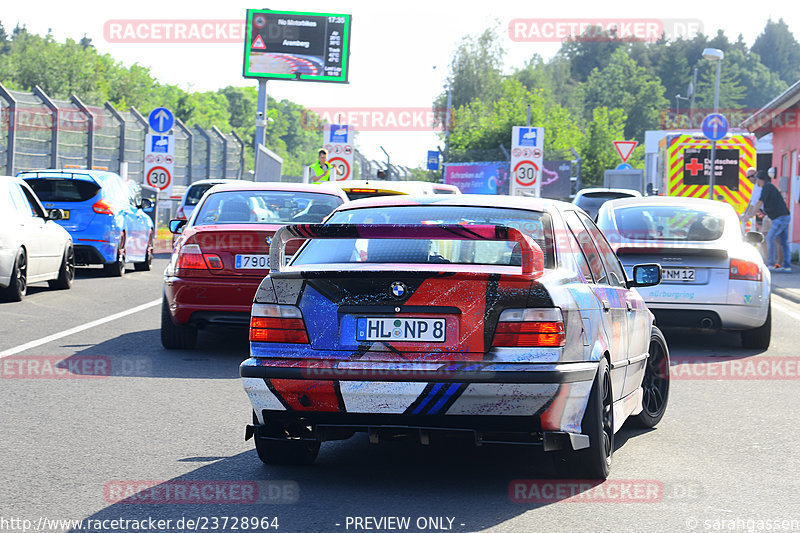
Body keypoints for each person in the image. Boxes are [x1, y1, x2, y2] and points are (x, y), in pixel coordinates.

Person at [742, 170, 791, 272]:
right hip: (783, 216)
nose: (756, 181)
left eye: (757, 179)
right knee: (783, 242)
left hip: (780, 217)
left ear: (760, 179)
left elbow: (759, 202)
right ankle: (787, 266)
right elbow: (755, 202)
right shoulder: (768, 186)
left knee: (770, 238)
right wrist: (749, 215)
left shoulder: (766, 187)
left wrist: (749, 216)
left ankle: (771, 264)